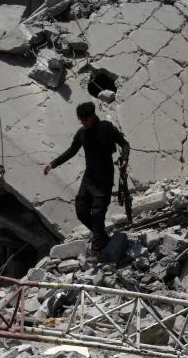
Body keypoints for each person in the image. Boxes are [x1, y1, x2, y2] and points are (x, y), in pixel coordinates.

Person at [43, 102, 130, 260]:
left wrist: (124, 158)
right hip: (89, 178)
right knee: (81, 211)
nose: (82, 123)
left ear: (92, 116)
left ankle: (96, 251)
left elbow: (124, 144)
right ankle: (102, 236)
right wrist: (52, 164)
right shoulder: (82, 133)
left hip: (104, 178)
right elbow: (71, 151)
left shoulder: (106, 128)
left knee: (98, 214)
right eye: (80, 120)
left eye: (84, 120)